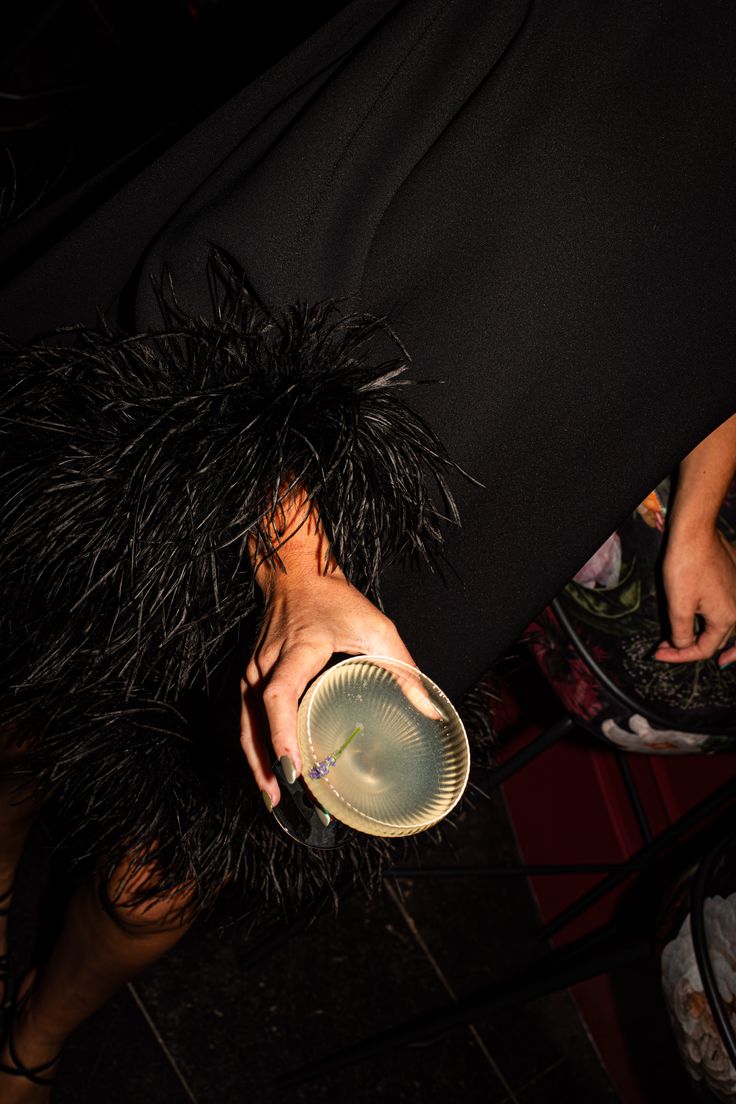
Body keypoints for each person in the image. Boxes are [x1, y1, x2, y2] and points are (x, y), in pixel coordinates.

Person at [1, 0, 735, 1097]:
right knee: (41, 693)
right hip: (230, 456)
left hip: (454, 542)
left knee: (175, 870)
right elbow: (227, 277)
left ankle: (32, 1044)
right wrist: (298, 568)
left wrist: (699, 513)